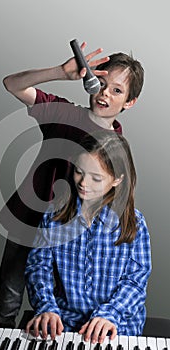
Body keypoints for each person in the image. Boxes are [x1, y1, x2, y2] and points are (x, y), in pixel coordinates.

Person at [0, 41, 145, 329]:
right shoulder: (63, 113)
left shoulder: (115, 143)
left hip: (68, 238)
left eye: (117, 90)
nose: (104, 93)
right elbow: (12, 84)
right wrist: (60, 72)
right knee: (8, 302)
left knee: (59, 307)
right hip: (30, 221)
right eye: (101, 82)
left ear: (129, 102)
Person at [25, 132, 152, 342]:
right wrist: (46, 306)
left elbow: (136, 282)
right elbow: (39, 267)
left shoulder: (134, 223)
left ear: (117, 180)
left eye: (96, 178)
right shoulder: (53, 215)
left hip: (117, 326)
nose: (83, 183)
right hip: (63, 323)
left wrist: (110, 314)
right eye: (79, 172)